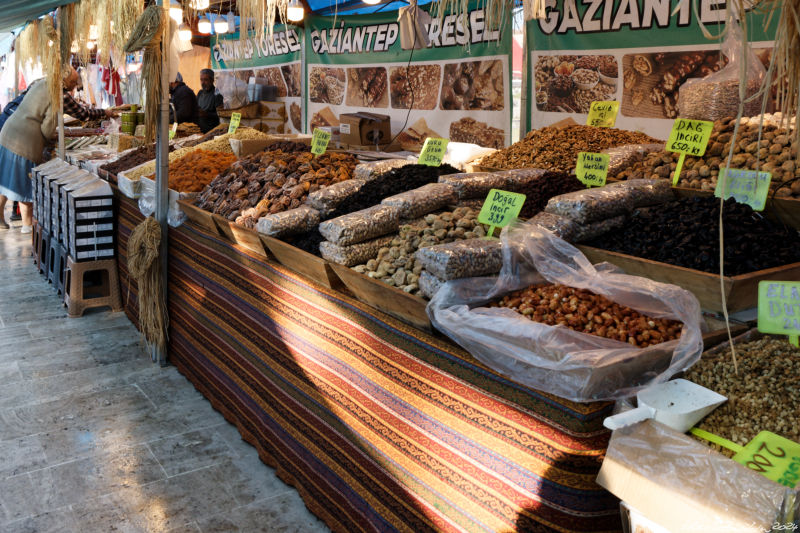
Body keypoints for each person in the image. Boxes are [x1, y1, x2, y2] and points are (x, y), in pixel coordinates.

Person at [0, 67, 114, 233]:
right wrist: (52, 137)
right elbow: (51, 126)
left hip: (7, 133)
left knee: (3, 180)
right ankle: (27, 227)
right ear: (65, 79)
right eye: (73, 82)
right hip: (24, 142)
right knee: (24, 185)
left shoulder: (42, 82)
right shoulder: (57, 94)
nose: (75, 86)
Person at [196, 69, 223, 134]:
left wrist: (206, 114)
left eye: (205, 80)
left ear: (212, 80)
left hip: (211, 131)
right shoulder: (200, 93)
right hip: (198, 130)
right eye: (201, 80)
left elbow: (220, 115)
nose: (203, 82)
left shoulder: (217, 94)